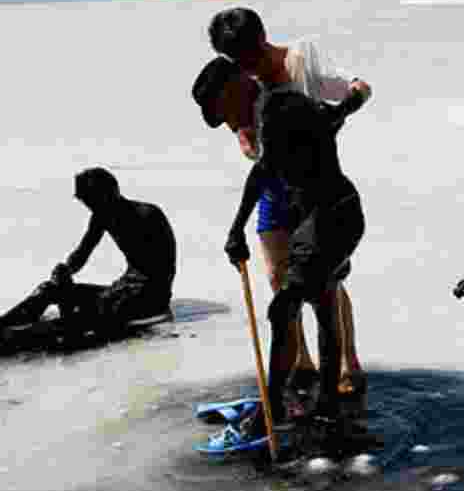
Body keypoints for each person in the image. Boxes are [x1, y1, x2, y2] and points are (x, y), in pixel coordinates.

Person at [191, 57, 369, 442]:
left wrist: (236, 228)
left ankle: (272, 409)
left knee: (284, 306)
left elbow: (263, 171)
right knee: (322, 305)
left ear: (235, 86)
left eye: (223, 112)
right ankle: (327, 409)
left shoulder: (273, 107)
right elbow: (326, 124)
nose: (227, 123)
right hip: (327, 215)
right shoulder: (271, 108)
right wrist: (339, 112)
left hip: (330, 218)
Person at [0, 168, 177, 338]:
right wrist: (66, 269)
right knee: (49, 289)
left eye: (91, 201)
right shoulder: (102, 215)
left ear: (110, 194)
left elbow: (162, 271)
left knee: (79, 318)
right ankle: (6, 325)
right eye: (85, 202)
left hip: (149, 297)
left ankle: (23, 337)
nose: (89, 207)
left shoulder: (148, 215)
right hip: (121, 290)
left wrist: (118, 298)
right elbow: (83, 252)